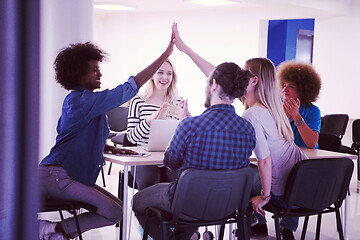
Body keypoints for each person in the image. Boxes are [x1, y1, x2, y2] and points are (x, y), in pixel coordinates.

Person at [171, 23, 308, 240]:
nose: (237, 77)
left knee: (234, 170)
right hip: (301, 191)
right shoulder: (275, 108)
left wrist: (264, 196)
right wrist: (186, 50)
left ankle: (247, 217)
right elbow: (217, 75)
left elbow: (265, 162)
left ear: (253, 80)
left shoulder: (252, 115)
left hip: (280, 195)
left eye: (243, 74)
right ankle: (256, 223)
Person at [38, 32, 174, 240]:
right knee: (114, 212)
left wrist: (109, 148)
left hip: (68, 176)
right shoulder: (81, 102)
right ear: (78, 74)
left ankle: (57, 233)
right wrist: (165, 54)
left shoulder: (84, 102)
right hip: (58, 177)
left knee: (117, 208)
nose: (99, 75)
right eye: (94, 71)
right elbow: (128, 89)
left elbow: (76, 137)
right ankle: (51, 230)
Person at [132, 60, 256, 239]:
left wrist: (179, 128)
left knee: (137, 201)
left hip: (189, 202)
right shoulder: (247, 128)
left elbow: (170, 162)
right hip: (228, 204)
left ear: (213, 85)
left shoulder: (190, 125)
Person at [126, 58, 189, 190]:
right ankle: (145, 210)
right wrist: (150, 121)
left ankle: (170, 211)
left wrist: (186, 120)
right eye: (160, 72)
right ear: (152, 75)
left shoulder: (179, 102)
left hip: (169, 158)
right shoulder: (138, 101)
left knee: (180, 180)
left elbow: (186, 137)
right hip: (143, 159)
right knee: (150, 180)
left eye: (169, 73)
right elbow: (131, 137)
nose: (165, 77)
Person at [278, 60, 322, 149]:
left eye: (291, 86)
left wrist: (296, 115)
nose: (285, 90)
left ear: (303, 90)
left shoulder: (312, 111)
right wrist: (284, 116)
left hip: (306, 159)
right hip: (284, 157)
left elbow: (312, 143)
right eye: (284, 85)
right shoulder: (277, 108)